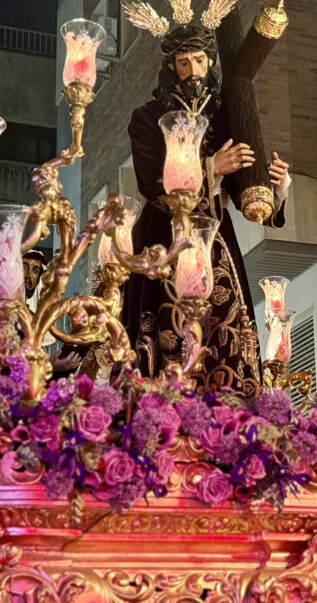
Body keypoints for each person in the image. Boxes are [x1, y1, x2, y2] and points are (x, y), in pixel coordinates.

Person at [123, 24, 290, 397]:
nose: (194, 70)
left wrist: (273, 186)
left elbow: (247, 197)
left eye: (200, 60)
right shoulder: (147, 118)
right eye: (184, 63)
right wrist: (210, 166)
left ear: (210, 60)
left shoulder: (222, 116)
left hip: (215, 238)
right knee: (169, 327)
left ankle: (231, 406)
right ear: (171, 67)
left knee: (226, 330)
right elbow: (150, 182)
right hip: (163, 237)